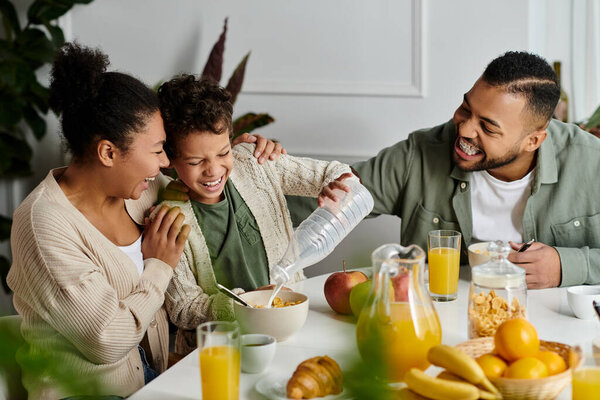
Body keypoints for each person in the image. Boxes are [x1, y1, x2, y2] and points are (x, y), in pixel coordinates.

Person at [6, 43, 282, 400]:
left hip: (153, 381)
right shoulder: (44, 226)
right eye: (156, 151)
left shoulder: (142, 191)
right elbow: (107, 342)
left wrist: (241, 154)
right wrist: (158, 265)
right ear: (108, 152)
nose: (164, 163)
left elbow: (203, 178)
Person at [289, 51, 600, 289]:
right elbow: (318, 204)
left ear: (533, 140)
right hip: (440, 332)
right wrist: (253, 170)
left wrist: (569, 266)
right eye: (466, 108)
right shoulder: (420, 154)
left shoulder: (591, 162)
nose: (464, 129)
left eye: (488, 127)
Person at [155, 76, 353, 356]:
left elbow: (333, 172)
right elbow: (184, 308)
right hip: (223, 352)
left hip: (293, 333)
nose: (213, 170)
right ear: (169, 161)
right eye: (196, 162)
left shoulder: (255, 162)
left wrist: (336, 184)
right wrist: (245, 304)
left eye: (223, 152)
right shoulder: (170, 219)